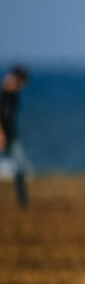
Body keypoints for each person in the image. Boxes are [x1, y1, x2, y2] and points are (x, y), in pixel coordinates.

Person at [0, 65, 30, 208]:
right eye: (23, 83)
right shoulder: (3, 93)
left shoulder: (14, 96)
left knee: (20, 165)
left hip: (12, 135)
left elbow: (11, 117)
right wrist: (0, 134)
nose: (23, 87)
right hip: (2, 135)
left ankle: (22, 201)